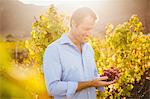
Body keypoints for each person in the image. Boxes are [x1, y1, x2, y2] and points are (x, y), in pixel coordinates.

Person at [43, 7, 117, 99]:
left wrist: (106, 79)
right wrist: (90, 84)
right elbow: (53, 88)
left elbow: (94, 77)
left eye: (91, 29)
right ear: (74, 24)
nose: (89, 33)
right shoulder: (54, 50)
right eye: (86, 29)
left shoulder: (88, 48)